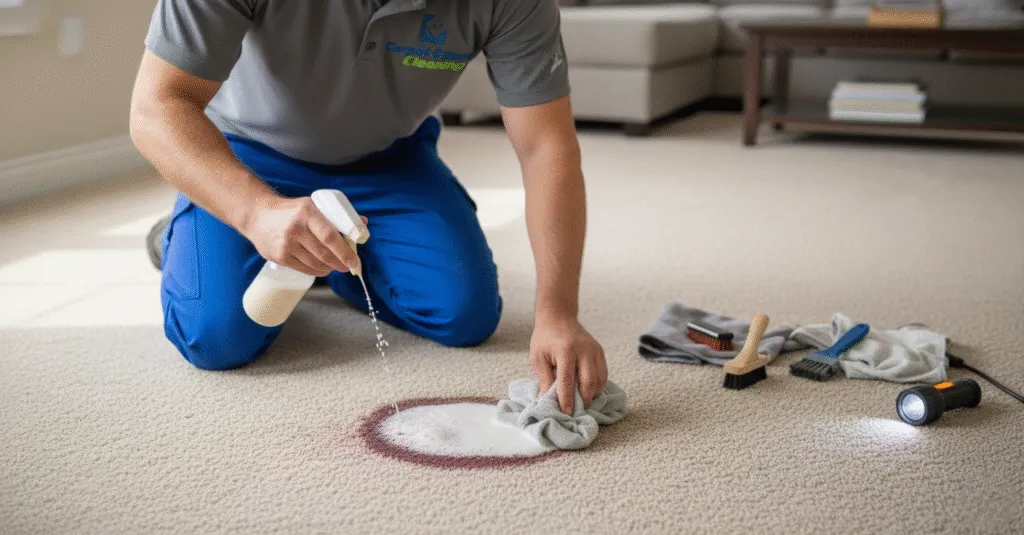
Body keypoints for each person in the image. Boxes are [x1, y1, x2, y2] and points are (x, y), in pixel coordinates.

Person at [130, 0, 607, 414]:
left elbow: (546, 148)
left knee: (464, 314)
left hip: (389, 159)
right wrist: (255, 213)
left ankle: (330, 258)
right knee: (217, 336)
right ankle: (183, 234)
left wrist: (558, 312)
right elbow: (157, 106)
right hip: (248, 154)